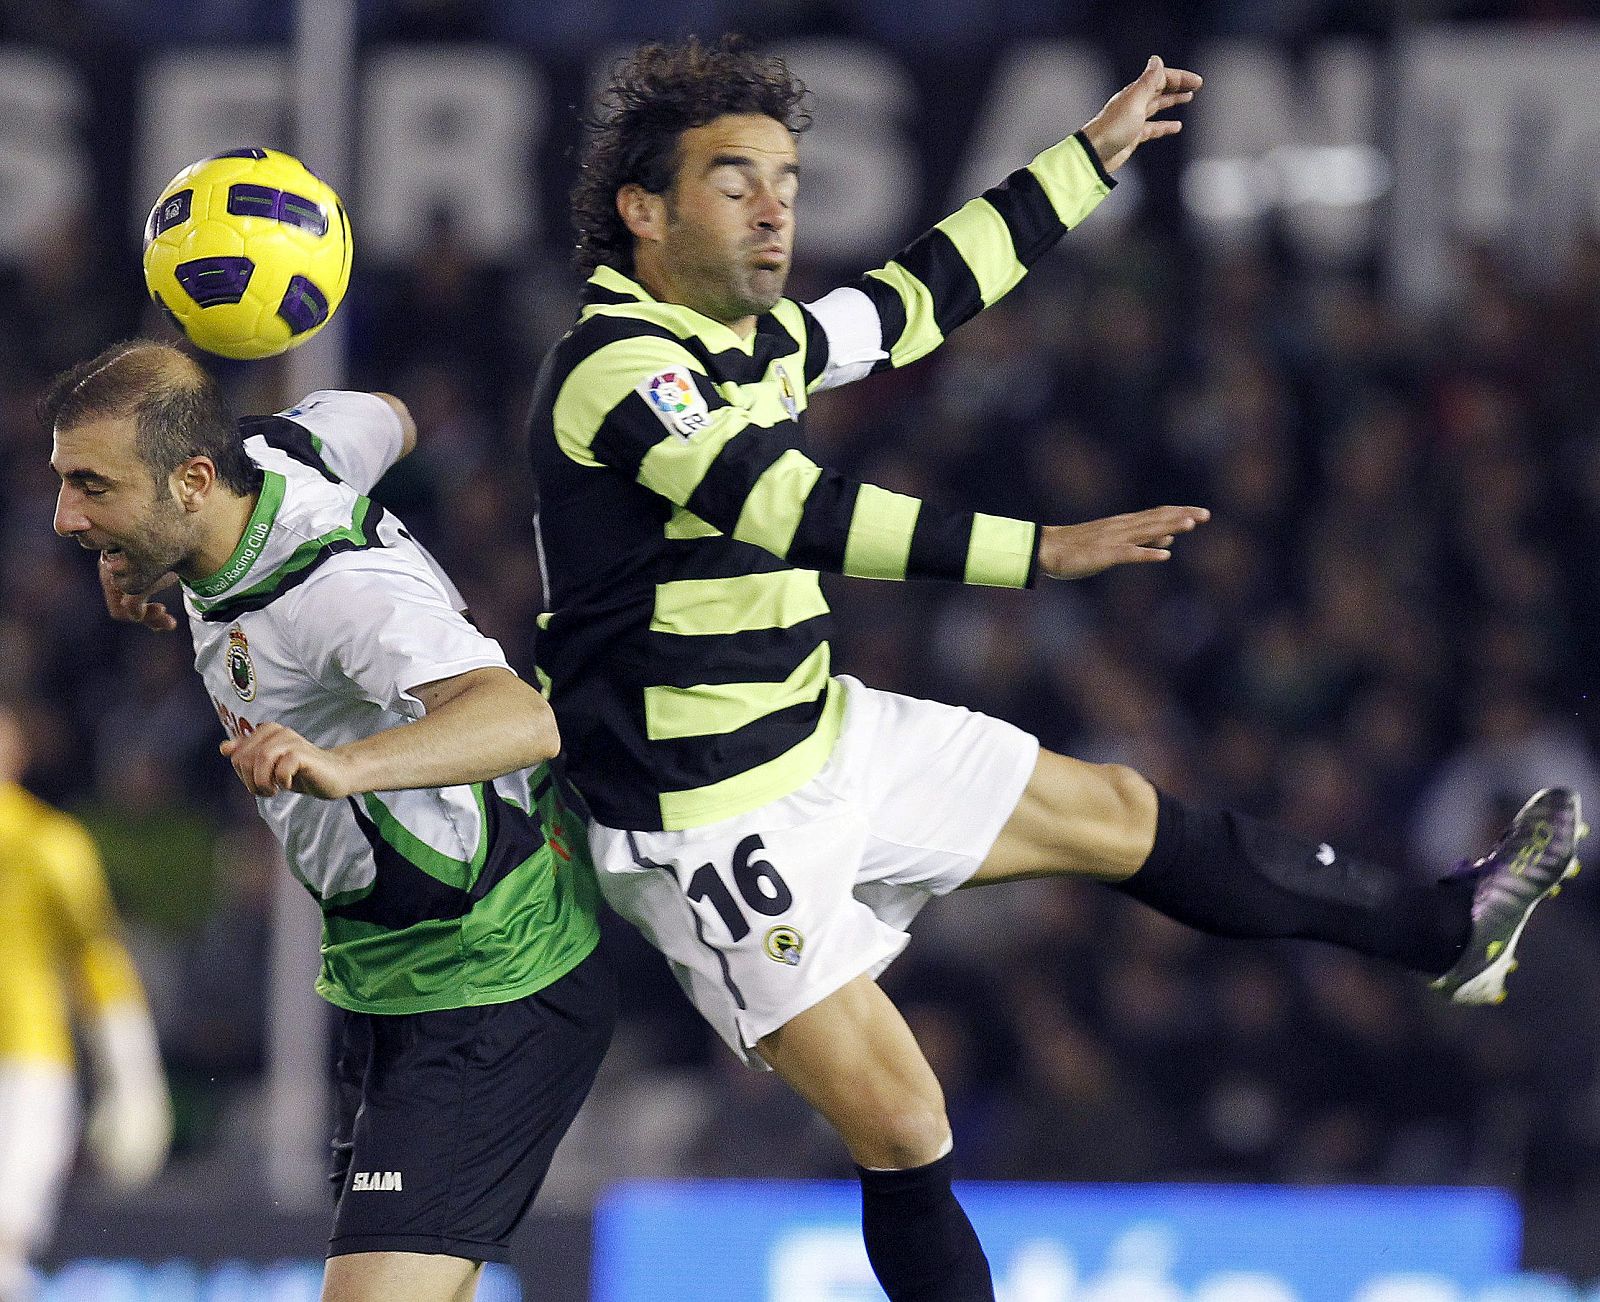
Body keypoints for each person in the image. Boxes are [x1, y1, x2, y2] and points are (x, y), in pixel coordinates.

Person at [529, 36, 1583, 1301]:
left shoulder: (764, 340)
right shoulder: (618, 369)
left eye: (790, 181)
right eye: (736, 180)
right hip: (702, 816)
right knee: (906, 1126)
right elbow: (788, 510)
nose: (776, 209)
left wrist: (1086, 160)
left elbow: (921, 294)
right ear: (645, 211)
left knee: (1124, 813)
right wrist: (1041, 551)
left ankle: (1443, 931)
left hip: (813, 732)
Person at [45, 341, 615, 1302]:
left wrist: (345, 763)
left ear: (192, 480)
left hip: (490, 974)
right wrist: (146, 559)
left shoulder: (334, 591)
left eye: (92, 487)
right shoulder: (279, 452)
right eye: (65, 484)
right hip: (389, 981)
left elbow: (524, 718)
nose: (65, 518)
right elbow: (390, 412)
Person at [0, 703, 172, 1302]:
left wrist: (132, 1082)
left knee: (6, 1239)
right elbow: (100, 967)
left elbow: (96, 964)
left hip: (25, 1064)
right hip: (28, 1064)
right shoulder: (54, 843)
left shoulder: (51, 846)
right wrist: (136, 1086)